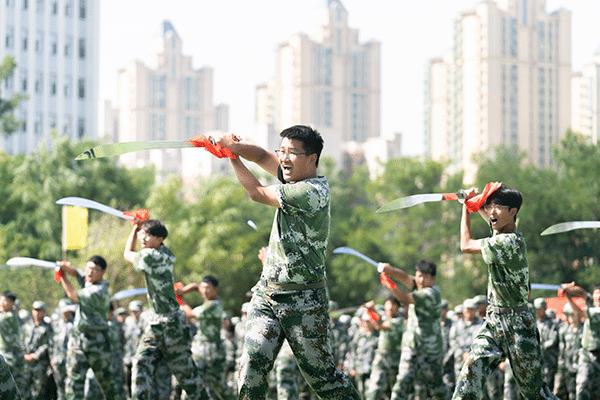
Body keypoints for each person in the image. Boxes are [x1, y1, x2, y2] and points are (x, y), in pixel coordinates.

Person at [216, 125, 361, 399]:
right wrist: (236, 147)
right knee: (251, 364)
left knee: (322, 377)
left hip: (304, 299)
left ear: (312, 159)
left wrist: (232, 156)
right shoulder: (293, 178)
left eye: (292, 153)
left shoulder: (311, 192)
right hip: (267, 294)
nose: (283, 158)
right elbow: (261, 156)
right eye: (281, 151)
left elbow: (257, 193)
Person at [453, 183, 557, 399]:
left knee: (535, 394)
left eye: (498, 207)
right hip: (494, 322)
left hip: (519, 326)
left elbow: (466, 245)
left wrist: (466, 208)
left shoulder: (509, 242)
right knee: (468, 380)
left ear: (513, 212)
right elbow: (492, 222)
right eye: (489, 206)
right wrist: (475, 203)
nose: (492, 211)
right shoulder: (500, 233)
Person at [123, 219, 211, 400]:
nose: (143, 238)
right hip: (161, 322)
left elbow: (127, 254)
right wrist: (141, 229)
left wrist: (134, 229)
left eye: (148, 235)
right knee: (141, 362)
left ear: (159, 239)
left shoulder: (149, 256)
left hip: (170, 324)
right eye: (143, 234)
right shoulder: (166, 253)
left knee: (186, 376)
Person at [378, 259, 450, 400]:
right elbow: (405, 277)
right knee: (401, 383)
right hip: (411, 346)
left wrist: (389, 284)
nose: (421, 280)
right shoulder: (418, 285)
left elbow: (405, 299)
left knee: (437, 388)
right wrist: (391, 270)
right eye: (419, 276)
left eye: (425, 277)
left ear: (433, 278)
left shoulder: (431, 294)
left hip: (430, 349)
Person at [57, 255, 118, 400]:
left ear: (102, 272)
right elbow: (77, 273)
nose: (90, 272)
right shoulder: (89, 280)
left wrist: (62, 275)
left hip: (97, 341)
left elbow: (73, 296)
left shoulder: (99, 290)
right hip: (78, 338)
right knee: (74, 382)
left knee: (107, 383)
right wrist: (64, 267)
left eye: (95, 270)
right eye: (88, 268)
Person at [177, 275, 236, 400]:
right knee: (191, 383)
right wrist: (186, 289)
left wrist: (181, 297)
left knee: (220, 387)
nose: (204, 291)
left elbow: (190, 314)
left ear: (216, 289)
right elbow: (197, 287)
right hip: (200, 349)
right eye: (203, 288)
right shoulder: (209, 298)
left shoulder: (214, 305)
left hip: (214, 351)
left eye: (208, 288)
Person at [561, 282, 600, 400]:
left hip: (598, 354)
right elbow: (582, 293)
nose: (599, 296)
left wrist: (568, 297)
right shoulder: (592, 303)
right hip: (587, 355)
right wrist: (569, 289)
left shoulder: (596, 312)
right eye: (597, 293)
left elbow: (580, 314)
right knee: (582, 388)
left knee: (595, 393)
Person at [364, 297, 405, 400]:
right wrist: (370, 311)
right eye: (388, 304)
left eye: (393, 304)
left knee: (394, 391)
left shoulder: (398, 321)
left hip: (394, 360)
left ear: (398, 307)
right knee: (375, 387)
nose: (390, 307)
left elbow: (379, 326)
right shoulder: (384, 317)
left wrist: (372, 310)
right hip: (381, 358)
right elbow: (377, 321)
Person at [23, 300, 54, 400]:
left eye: (39, 310)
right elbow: (21, 341)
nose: (37, 313)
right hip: (26, 362)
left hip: (40, 363)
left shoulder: (48, 327)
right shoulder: (26, 326)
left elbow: (48, 344)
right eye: (35, 310)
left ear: (44, 312)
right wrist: (24, 354)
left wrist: (35, 355)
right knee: (24, 388)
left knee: (39, 390)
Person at [0, 291, 29, 398]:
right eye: (1, 300)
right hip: (10, 356)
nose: (2, 303)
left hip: (13, 357)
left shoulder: (10, 316)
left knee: (14, 389)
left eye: (5, 301)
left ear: (12, 303)